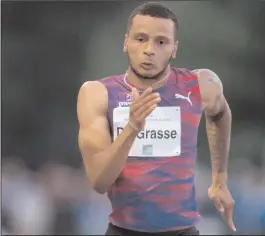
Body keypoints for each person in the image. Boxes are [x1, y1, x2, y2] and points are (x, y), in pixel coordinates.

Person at [77, 2, 236, 235]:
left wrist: (219, 179)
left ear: (174, 49)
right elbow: (99, 182)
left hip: (183, 230)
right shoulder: (97, 93)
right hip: (124, 230)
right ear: (126, 42)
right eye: (140, 38)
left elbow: (221, 114)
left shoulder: (200, 86)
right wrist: (132, 128)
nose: (149, 49)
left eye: (161, 42)